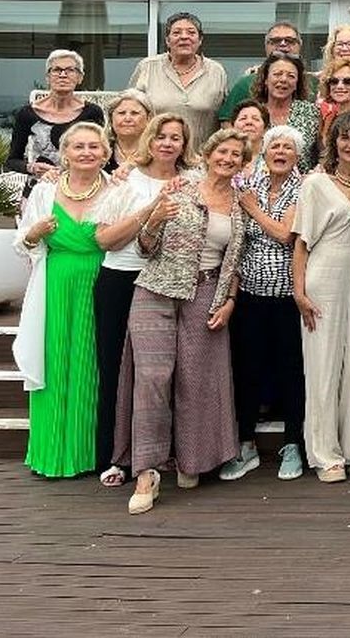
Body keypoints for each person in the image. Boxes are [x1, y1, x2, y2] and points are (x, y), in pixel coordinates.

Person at [112, 128, 250, 515]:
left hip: (207, 294)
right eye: (222, 151)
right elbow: (144, 246)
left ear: (242, 164)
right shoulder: (179, 189)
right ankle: (146, 473)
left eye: (236, 155)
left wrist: (230, 301)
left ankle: (193, 462)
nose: (227, 159)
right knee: (153, 379)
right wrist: (154, 218)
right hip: (156, 289)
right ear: (207, 154)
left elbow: (234, 260)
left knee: (196, 379)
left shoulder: (240, 203)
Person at [92, 109, 191, 487]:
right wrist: (150, 211)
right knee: (116, 369)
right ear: (150, 139)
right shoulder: (125, 180)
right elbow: (104, 239)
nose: (167, 143)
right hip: (122, 278)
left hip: (167, 283)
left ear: (184, 145)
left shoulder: (190, 181)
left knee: (159, 375)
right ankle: (116, 456)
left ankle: (162, 453)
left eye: (175, 138)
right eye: (161, 136)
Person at [14, 122, 117, 478]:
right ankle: (51, 454)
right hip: (55, 284)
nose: (87, 152)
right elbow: (22, 244)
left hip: (100, 282)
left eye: (94, 146)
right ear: (65, 152)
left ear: (105, 153)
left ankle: (87, 454)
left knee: (91, 365)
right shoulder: (44, 192)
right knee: (54, 360)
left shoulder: (116, 190)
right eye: (79, 146)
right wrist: (33, 233)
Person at [290, 110, 350, 483]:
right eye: (345, 138)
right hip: (323, 279)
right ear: (333, 142)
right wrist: (299, 291)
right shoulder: (315, 183)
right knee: (323, 368)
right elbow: (301, 242)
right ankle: (325, 455)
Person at [218, 124, 306, 484]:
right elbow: (238, 245)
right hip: (250, 296)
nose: (281, 152)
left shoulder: (303, 190)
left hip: (288, 297)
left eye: (288, 147)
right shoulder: (248, 187)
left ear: (297, 157)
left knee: (291, 372)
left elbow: (287, 234)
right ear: (264, 154)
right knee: (247, 370)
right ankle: (246, 443)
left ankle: (293, 444)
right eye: (275, 146)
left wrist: (252, 209)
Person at [5, 49, 106, 191]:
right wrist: (32, 167)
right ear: (47, 77)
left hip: (81, 190)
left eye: (70, 70)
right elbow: (12, 160)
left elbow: (102, 154)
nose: (63, 75)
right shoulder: (27, 113)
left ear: (80, 77)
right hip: (40, 189)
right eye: (57, 70)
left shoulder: (92, 113)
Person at [220, 22, 308, 120]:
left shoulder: (315, 83)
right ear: (266, 46)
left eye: (290, 40)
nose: (283, 44)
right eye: (276, 41)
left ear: (300, 45)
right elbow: (227, 121)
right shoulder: (245, 84)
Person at [250, 54, 320, 169]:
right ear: (266, 80)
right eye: (277, 74)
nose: (283, 79)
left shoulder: (312, 112)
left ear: (297, 83)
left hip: (303, 183)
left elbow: (323, 153)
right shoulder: (252, 113)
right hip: (255, 184)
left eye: (291, 76)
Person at [104, 88, 153, 171]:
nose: (127, 119)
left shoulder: (156, 153)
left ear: (148, 119)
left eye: (135, 113)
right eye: (121, 113)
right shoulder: (101, 151)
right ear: (111, 119)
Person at [228, 101, 269, 165]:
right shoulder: (224, 157)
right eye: (243, 118)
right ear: (232, 127)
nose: (249, 122)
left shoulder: (272, 158)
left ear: (265, 129)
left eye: (255, 119)